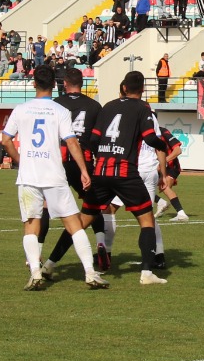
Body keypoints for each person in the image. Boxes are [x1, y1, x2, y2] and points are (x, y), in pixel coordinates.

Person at [1, 65, 107, 291]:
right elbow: (71, 142)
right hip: (54, 175)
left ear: (33, 84)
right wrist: (84, 170)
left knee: (31, 226)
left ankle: (36, 273)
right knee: (74, 225)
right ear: (54, 85)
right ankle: (90, 273)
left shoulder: (21, 109)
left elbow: (6, 140)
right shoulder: (59, 110)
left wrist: (20, 160)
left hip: (29, 176)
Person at [82, 70, 170, 285]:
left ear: (123, 87)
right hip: (136, 170)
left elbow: (93, 140)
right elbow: (151, 138)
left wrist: (99, 157)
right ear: (142, 90)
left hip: (105, 169)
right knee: (146, 218)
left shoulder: (109, 107)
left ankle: (54, 261)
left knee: (93, 215)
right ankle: (152, 263)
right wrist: (164, 162)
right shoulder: (145, 110)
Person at [44, 66, 109, 273]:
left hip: (58, 160)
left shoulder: (56, 104)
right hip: (84, 161)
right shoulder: (94, 106)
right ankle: (101, 243)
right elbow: (98, 138)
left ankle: (36, 254)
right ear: (82, 84)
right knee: (92, 205)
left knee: (45, 206)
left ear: (64, 84)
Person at [152, 124, 191, 222]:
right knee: (141, 186)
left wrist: (163, 162)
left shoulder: (163, 132)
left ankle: (181, 213)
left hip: (171, 166)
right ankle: (160, 202)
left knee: (164, 187)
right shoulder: (143, 133)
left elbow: (178, 150)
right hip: (155, 167)